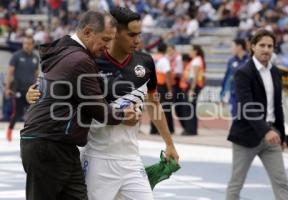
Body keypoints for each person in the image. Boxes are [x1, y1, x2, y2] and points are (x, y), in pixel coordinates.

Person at [26, 7, 179, 200]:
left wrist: (169, 143)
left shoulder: (146, 62)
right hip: (97, 157)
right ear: (115, 33)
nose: (138, 40)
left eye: (139, 34)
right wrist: (33, 92)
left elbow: (153, 103)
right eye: (131, 35)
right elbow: (54, 84)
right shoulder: (90, 61)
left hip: (131, 159)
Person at [20, 11, 139, 200]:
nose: (107, 45)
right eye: (105, 39)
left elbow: (50, 85)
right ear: (88, 32)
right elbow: (97, 108)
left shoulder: (64, 50)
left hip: (58, 143)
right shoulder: (80, 59)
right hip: (49, 143)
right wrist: (123, 115)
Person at [226, 29, 288, 200]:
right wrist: (265, 131)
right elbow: (247, 106)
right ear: (252, 46)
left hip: (272, 136)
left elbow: (277, 106)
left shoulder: (276, 72)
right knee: (236, 184)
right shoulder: (243, 72)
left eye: (270, 46)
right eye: (262, 45)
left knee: (282, 183)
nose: (266, 49)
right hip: (247, 137)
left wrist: (282, 135)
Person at [4, 36, 39, 141]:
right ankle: (9, 131)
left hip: (31, 90)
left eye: (29, 43)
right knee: (18, 113)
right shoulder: (16, 56)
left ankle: (30, 133)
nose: (26, 45)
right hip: (18, 90)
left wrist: (39, 86)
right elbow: (10, 72)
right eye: (25, 43)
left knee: (33, 113)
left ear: (33, 45)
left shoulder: (35, 58)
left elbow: (37, 74)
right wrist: (7, 88)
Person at [178, 45, 206, 135]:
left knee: (188, 108)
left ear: (195, 51)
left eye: (191, 50)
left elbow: (195, 76)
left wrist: (192, 89)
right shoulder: (197, 60)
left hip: (193, 87)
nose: (189, 52)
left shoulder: (196, 61)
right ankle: (191, 129)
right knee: (190, 107)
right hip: (193, 86)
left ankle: (190, 130)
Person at [220, 39, 249, 119]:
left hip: (248, 96)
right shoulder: (231, 61)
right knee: (235, 119)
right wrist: (222, 95)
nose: (230, 49)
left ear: (239, 47)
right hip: (234, 95)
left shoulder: (250, 60)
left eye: (232, 46)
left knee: (248, 121)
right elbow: (226, 79)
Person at [150, 42, 174, 135]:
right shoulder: (164, 60)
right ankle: (167, 129)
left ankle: (154, 129)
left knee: (154, 107)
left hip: (153, 86)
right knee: (165, 108)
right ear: (165, 50)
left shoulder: (153, 58)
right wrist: (170, 90)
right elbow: (167, 74)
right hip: (161, 86)